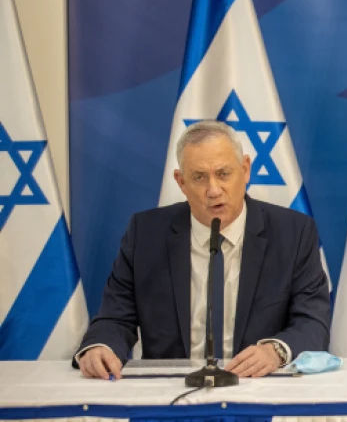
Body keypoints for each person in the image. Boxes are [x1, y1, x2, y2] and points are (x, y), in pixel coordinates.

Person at [75, 121, 330, 379]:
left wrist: (275, 351)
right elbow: (114, 318)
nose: (213, 190)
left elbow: (312, 323)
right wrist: (101, 347)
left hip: (257, 387)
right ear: (181, 181)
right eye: (199, 177)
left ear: (245, 169)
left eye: (223, 174)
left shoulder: (293, 233)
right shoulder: (145, 234)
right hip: (170, 393)